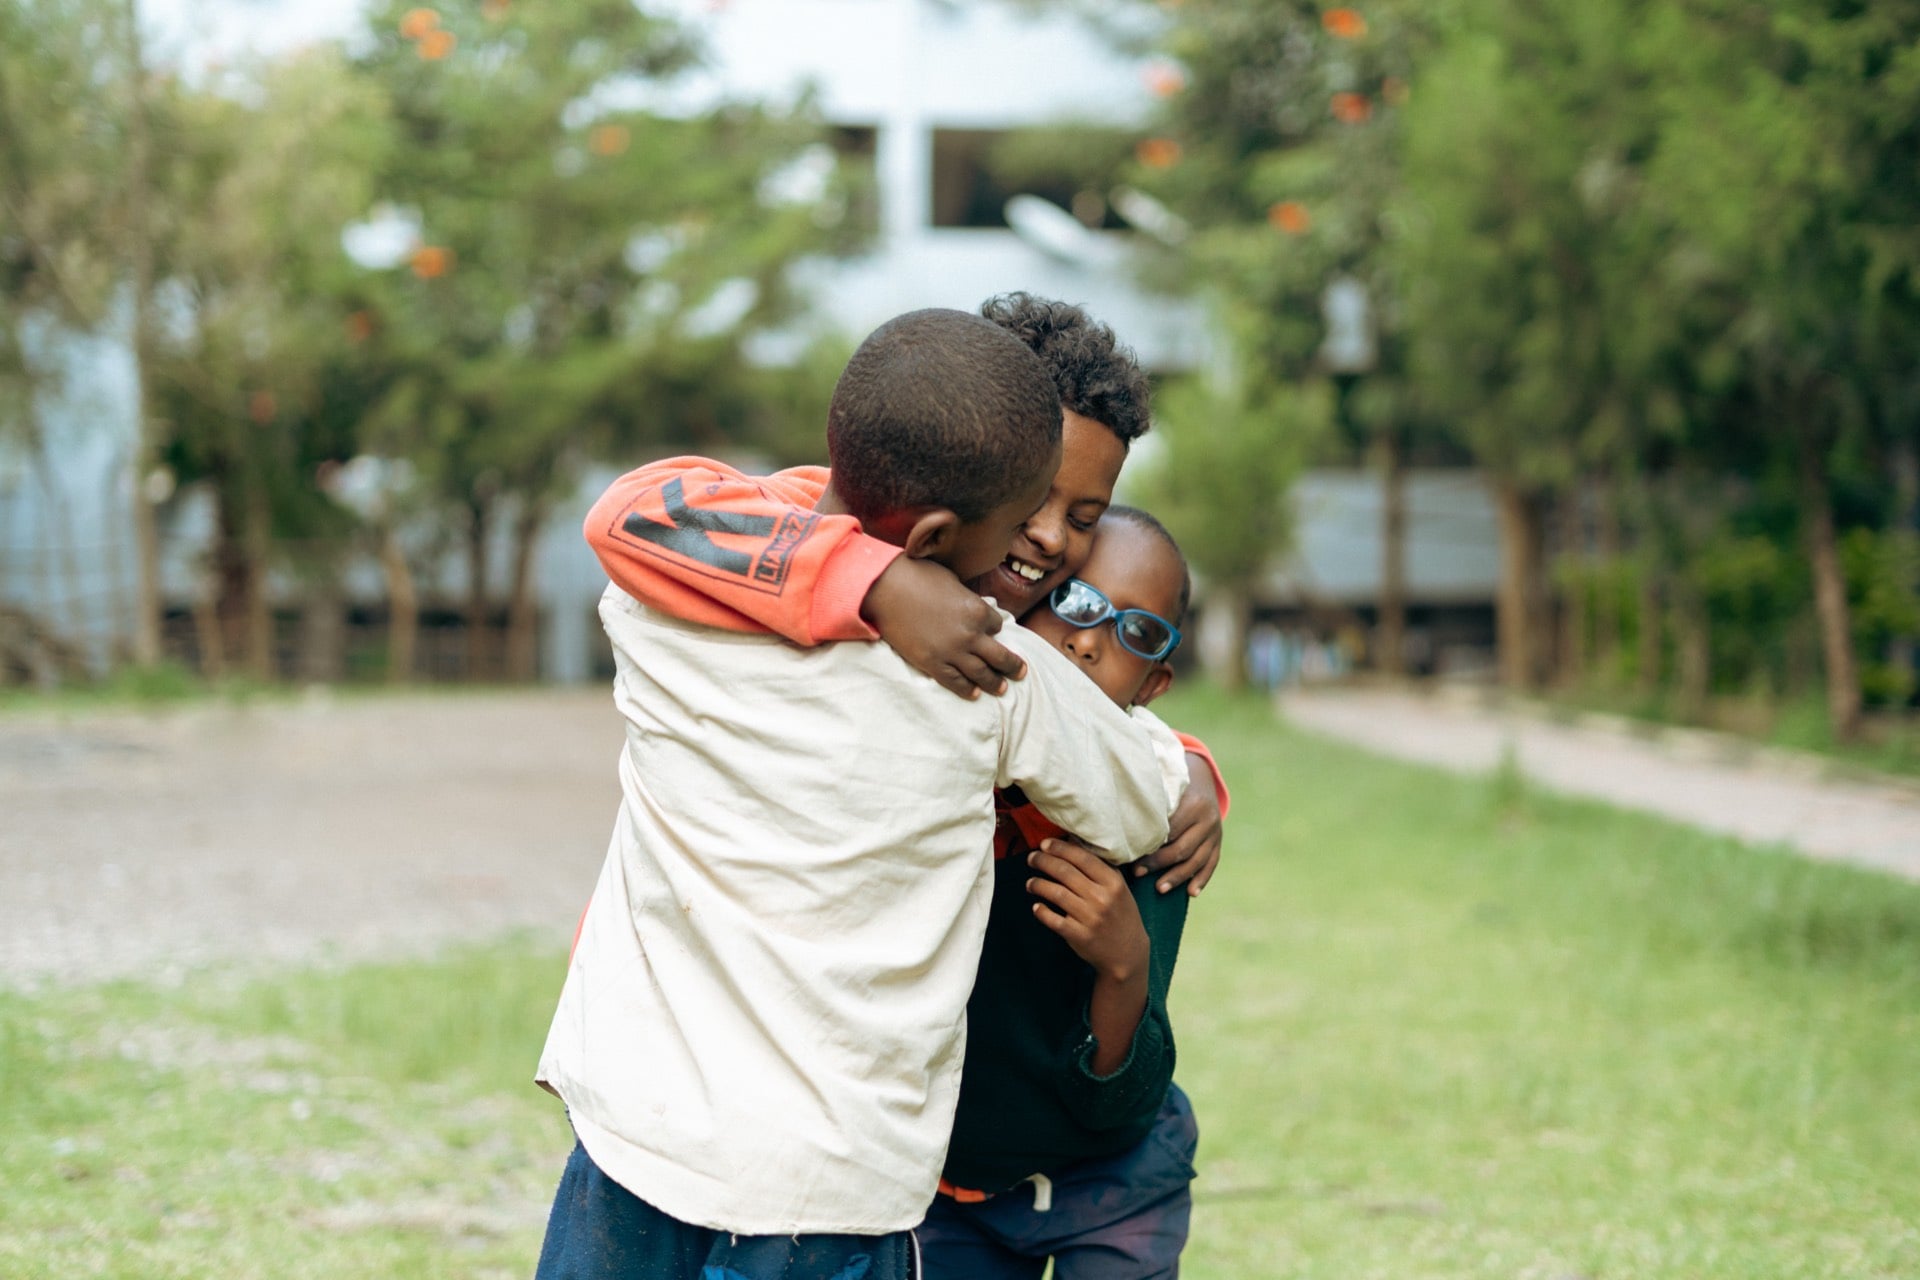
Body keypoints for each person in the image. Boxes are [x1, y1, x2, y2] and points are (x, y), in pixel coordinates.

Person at [533, 308, 1192, 1280]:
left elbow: (635, 509)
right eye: (1025, 511)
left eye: (1082, 518)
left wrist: (860, 569)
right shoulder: (998, 669)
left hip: (637, 1133)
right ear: (946, 527)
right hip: (826, 1190)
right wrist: (1192, 765)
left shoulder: (658, 602)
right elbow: (1142, 796)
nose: (1046, 543)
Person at [923, 505, 1204, 1280]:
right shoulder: (941, 760)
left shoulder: (1155, 822)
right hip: (948, 1190)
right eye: (1075, 601)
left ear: (1154, 681)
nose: (1089, 639)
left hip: (1114, 1181)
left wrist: (1124, 966)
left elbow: (1121, 1098)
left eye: (1135, 631)